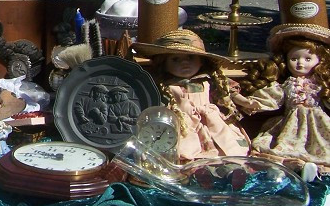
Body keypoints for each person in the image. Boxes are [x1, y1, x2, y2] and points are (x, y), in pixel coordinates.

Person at [133, 29, 251, 162]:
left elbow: (227, 93)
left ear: (202, 61)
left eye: (190, 57)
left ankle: (227, 163)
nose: (184, 63)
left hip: (210, 121)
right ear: (164, 64)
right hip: (181, 122)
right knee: (181, 146)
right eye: (175, 59)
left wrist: (246, 102)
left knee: (226, 142)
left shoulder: (208, 80)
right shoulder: (163, 85)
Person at [236, 24, 330, 177]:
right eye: (294, 58)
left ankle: (313, 170)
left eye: (308, 59)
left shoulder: (321, 84)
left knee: (321, 148)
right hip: (291, 123)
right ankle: (290, 167)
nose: (300, 63)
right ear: (285, 60)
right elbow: (271, 97)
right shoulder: (287, 84)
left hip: (318, 124)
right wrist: (248, 102)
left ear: (320, 60)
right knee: (284, 146)